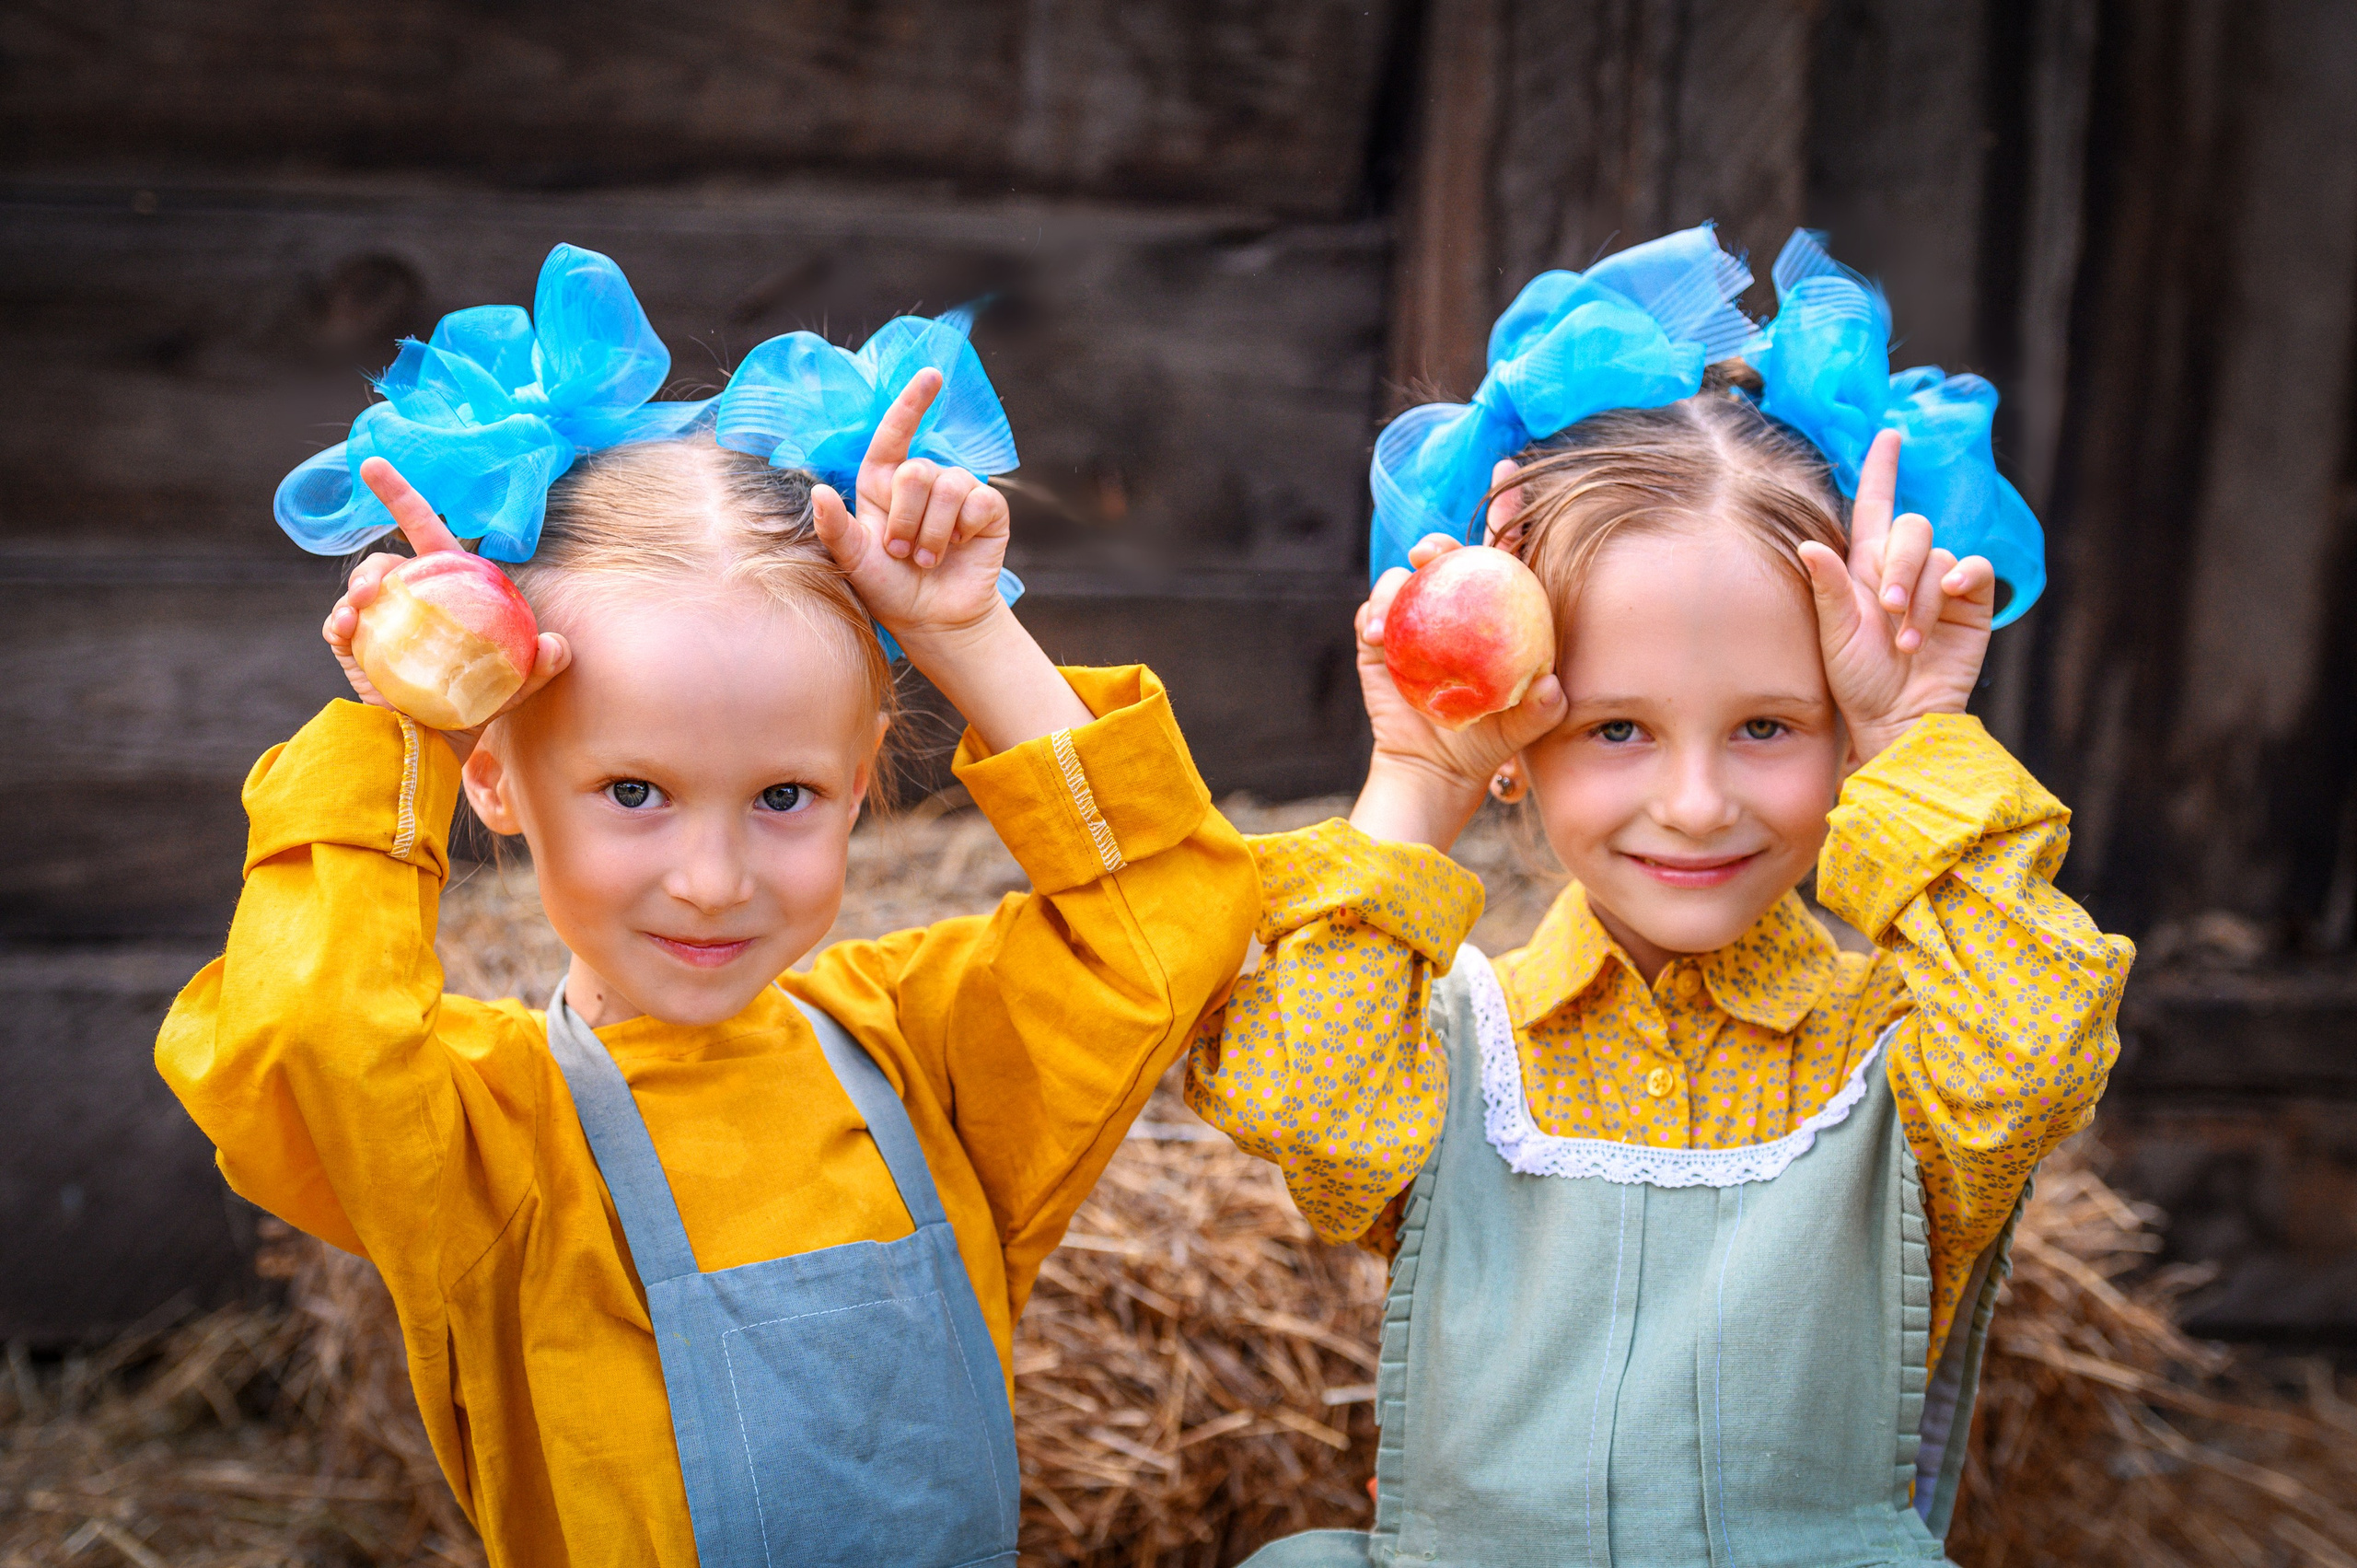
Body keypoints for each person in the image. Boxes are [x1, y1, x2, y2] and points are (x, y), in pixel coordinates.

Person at [157, 243, 1257, 1567]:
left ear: (860, 785)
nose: (715, 878)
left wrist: (968, 636)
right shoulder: (481, 1139)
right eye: (634, 791)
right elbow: (300, 1039)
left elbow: (1174, 911)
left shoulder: (925, 1061)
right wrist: (409, 712)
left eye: (783, 797)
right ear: (493, 779)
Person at [1186, 226, 2131, 1566]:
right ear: (1518, 745)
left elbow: (2040, 1059)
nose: (1695, 804)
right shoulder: (1455, 1047)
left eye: (1770, 727)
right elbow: (1309, 1114)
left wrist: (1913, 732)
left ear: (1846, 735)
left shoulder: (1906, 1053)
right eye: (1617, 730)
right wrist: (1413, 772)